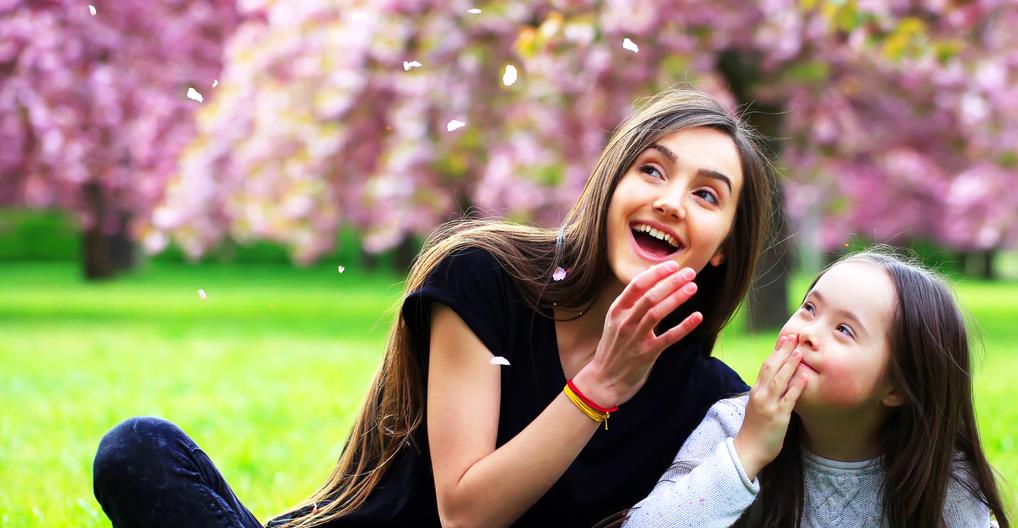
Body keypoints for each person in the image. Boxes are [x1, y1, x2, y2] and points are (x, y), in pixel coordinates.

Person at [91, 89, 781, 527]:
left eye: (706, 194)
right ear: (612, 184)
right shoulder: (486, 278)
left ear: (721, 247)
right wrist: (599, 388)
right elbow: (466, 513)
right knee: (137, 451)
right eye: (652, 170)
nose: (669, 199)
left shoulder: (712, 405)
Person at [622, 248, 1011, 528]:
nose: (807, 332)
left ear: (896, 388)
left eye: (844, 330)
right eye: (809, 308)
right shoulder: (735, 425)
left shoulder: (940, 475)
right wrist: (748, 452)